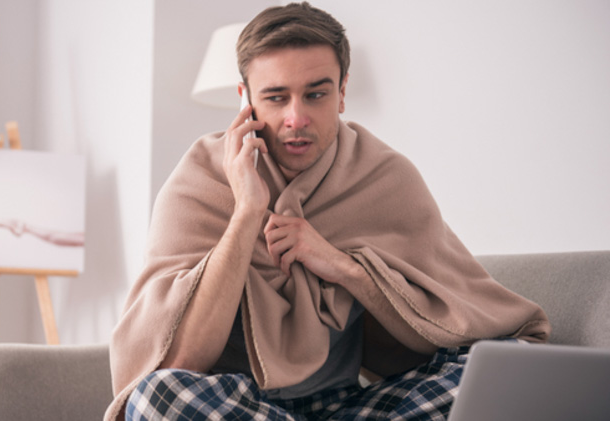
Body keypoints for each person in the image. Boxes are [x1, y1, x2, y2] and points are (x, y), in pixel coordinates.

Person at [107, 3, 550, 420]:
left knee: (509, 367)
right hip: (237, 402)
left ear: (341, 93)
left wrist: (342, 266)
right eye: (276, 98)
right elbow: (177, 360)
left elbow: (451, 319)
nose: (296, 118)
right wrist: (246, 214)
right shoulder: (201, 177)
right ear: (245, 99)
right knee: (157, 396)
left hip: (349, 406)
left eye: (315, 95)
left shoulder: (383, 175)